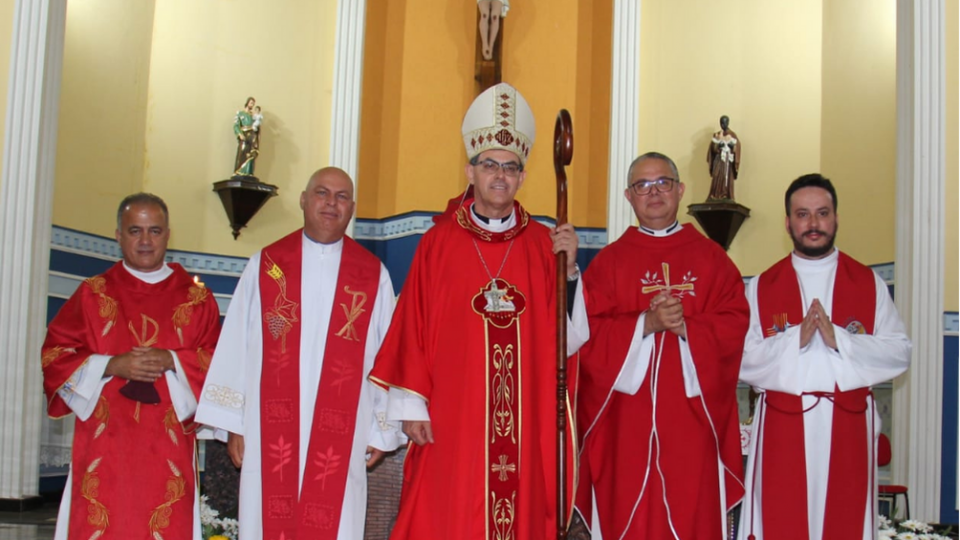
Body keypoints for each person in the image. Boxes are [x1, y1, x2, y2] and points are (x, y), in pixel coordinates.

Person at [369, 82, 589, 540]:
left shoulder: (542, 246)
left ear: (523, 178)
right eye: (490, 165)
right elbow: (412, 324)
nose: (500, 176)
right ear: (470, 171)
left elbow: (566, 339)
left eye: (511, 168)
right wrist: (411, 404)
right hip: (453, 418)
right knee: (447, 514)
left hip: (524, 422)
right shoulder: (439, 242)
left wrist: (569, 275)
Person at [195, 167, 401, 540]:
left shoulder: (372, 276)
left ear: (351, 208)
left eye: (341, 197)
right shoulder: (267, 266)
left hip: (345, 429)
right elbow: (236, 346)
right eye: (322, 193)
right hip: (267, 425)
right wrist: (234, 423)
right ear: (304, 200)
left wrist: (380, 427)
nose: (330, 203)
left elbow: (387, 357)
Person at [575, 152, 748, 539]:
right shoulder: (609, 263)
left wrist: (688, 327)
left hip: (693, 424)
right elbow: (584, 340)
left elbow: (736, 325)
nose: (653, 193)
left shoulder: (713, 260)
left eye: (663, 183)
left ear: (680, 190)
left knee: (694, 517)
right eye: (642, 186)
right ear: (628, 197)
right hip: (625, 427)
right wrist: (645, 324)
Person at [737, 174, 911, 540]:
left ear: (836, 218)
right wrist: (793, 340)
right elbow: (741, 359)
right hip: (782, 426)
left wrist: (840, 341)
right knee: (781, 522)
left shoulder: (867, 282)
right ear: (788, 222)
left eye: (822, 213)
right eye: (802, 214)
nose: (813, 224)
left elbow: (900, 353)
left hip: (846, 422)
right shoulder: (763, 286)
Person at [41, 193, 221, 539]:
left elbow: (220, 361)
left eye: (154, 230)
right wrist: (110, 365)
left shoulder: (196, 300)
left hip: (165, 443)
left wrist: (172, 360)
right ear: (118, 235)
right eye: (135, 230)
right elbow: (54, 355)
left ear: (168, 234)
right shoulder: (93, 294)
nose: (145, 241)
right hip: (105, 440)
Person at [707, 115, 741, 200]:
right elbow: (712, 149)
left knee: (726, 176)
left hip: (727, 162)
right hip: (719, 159)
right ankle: (715, 194)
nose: (723, 124)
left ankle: (726, 194)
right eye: (721, 122)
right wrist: (718, 146)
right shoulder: (717, 135)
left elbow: (737, 148)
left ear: (728, 123)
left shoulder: (732, 135)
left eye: (724, 122)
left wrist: (732, 147)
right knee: (717, 175)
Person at [233, 96, 259, 176]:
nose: (252, 105)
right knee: (242, 152)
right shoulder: (240, 114)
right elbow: (236, 125)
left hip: (251, 136)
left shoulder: (253, 116)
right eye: (251, 103)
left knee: (251, 153)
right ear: (247, 103)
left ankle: (248, 171)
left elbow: (257, 126)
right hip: (244, 134)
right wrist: (240, 134)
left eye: (253, 104)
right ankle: (239, 171)